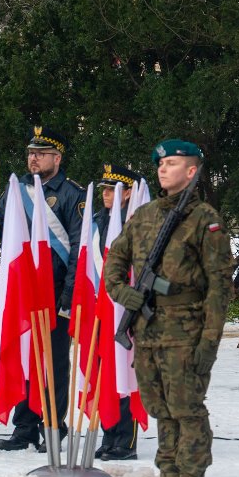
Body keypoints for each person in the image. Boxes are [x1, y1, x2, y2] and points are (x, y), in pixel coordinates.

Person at [104, 140, 232, 477]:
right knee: (161, 410)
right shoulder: (144, 216)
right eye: (160, 163)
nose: (163, 169)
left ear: (192, 171)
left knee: (187, 411)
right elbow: (116, 257)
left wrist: (208, 341)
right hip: (148, 330)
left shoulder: (205, 220)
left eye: (172, 163)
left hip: (186, 330)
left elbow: (219, 287)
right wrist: (123, 293)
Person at [0, 125, 86, 452]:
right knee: (24, 358)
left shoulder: (72, 195)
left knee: (54, 364)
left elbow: (78, 249)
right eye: (31, 153)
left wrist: (69, 296)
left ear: (57, 158)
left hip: (56, 292)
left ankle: (52, 425)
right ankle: (24, 428)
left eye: (41, 154)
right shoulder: (17, 189)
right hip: (24, 293)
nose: (33, 158)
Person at [95, 163, 140, 461]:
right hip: (102, 305)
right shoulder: (98, 220)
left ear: (126, 194)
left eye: (112, 190)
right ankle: (109, 432)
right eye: (104, 190)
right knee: (104, 373)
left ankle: (126, 440)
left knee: (125, 372)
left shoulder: (136, 222)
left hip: (125, 306)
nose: (106, 194)